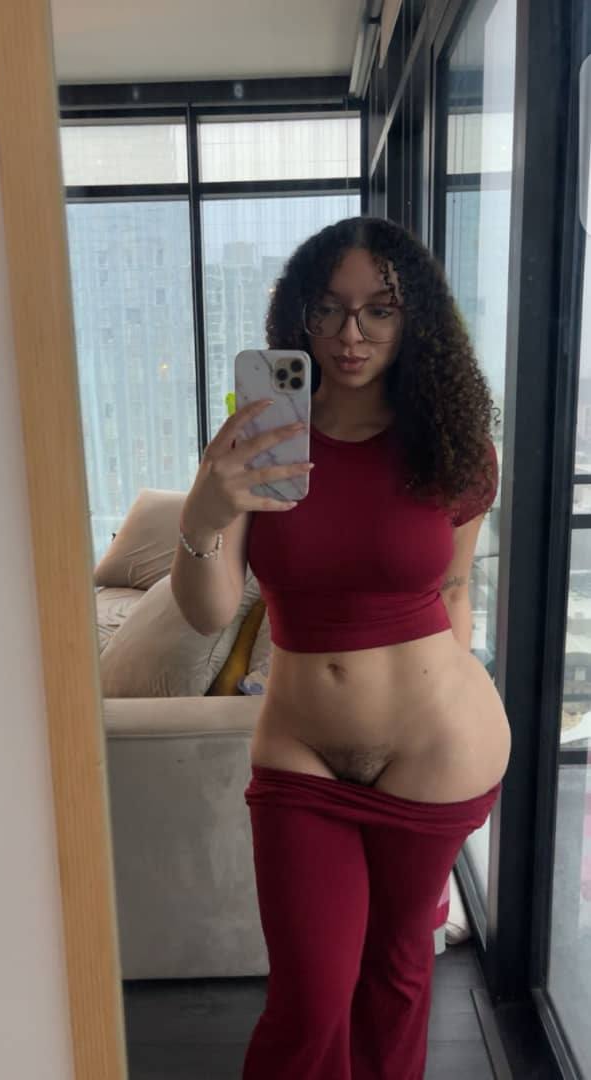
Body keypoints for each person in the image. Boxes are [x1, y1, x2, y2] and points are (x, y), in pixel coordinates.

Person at [171, 216, 511, 1080]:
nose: (350, 335)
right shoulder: (256, 445)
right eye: (327, 310)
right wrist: (204, 516)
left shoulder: (455, 448)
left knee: (394, 977)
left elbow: (453, 590)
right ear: (299, 316)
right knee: (309, 1000)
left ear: (413, 319)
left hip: (435, 753)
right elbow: (209, 614)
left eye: (378, 311)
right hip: (302, 752)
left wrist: (445, 693)